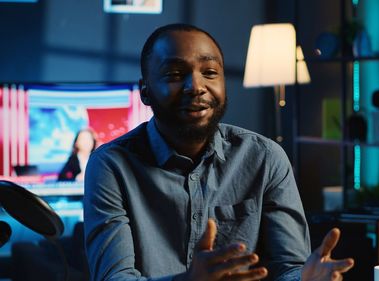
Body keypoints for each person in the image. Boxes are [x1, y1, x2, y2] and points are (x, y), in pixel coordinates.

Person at [83, 23, 354, 281]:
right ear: (145, 91)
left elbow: (289, 268)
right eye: (176, 75)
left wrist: (306, 277)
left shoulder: (266, 158)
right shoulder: (110, 165)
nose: (196, 86)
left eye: (210, 72)